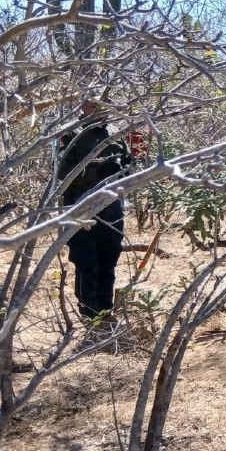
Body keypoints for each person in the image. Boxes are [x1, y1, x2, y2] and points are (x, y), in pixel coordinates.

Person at [58, 100, 133, 321]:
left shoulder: (116, 135)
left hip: (112, 210)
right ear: (84, 106)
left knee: (109, 259)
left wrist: (123, 174)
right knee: (86, 260)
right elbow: (62, 172)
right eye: (94, 103)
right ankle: (88, 313)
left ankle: (105, 310)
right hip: (82, 209)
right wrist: (96, 173)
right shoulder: (71, 134)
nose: (100, 108)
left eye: (105, 104)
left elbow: (129, 169)